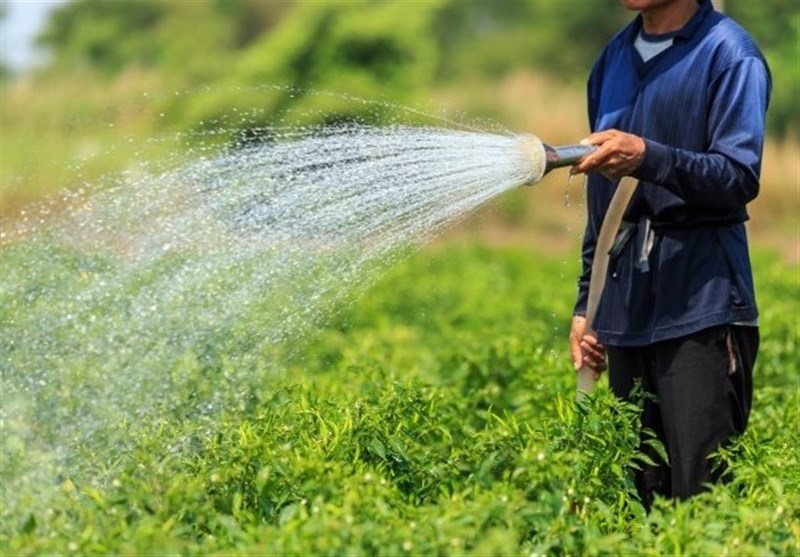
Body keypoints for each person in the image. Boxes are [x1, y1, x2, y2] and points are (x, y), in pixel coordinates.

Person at [568, 0, 771, 510]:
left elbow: (737, 176)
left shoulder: (730, 54)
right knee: (639, 501)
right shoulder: (612, 58)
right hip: (626, 311)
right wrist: (585, 305)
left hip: (700, 311)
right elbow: (603, 201)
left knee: (701, 502)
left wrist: (649, 157)